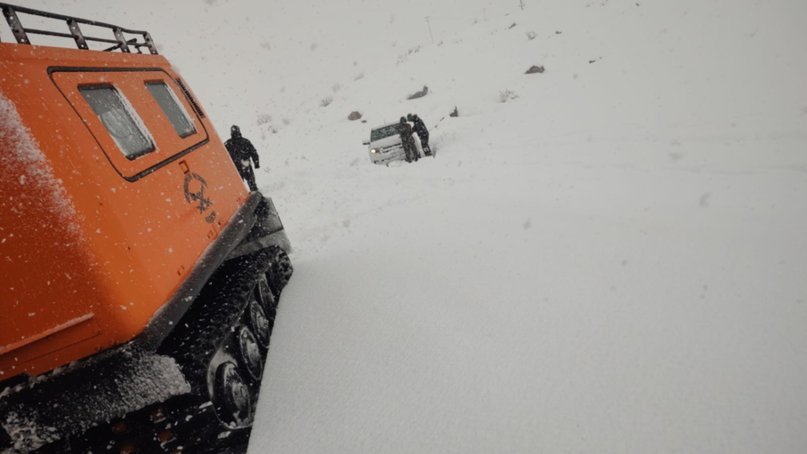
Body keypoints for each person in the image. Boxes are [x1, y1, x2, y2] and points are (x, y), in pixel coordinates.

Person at [224, 125, 260, 191]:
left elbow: (223, 157)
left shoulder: (228, 144)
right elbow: (254, 153)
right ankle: (255, 195)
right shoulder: (245, 141)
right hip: (243, 166)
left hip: (238, 168)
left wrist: (256, 163)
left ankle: (248, 195)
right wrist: (256, 162)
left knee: (239, 187)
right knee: (251, 185)